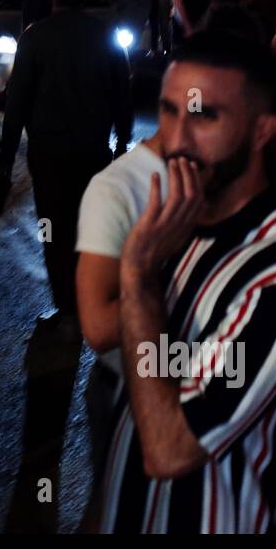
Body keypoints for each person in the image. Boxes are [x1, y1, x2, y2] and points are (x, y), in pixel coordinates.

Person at [92, 32, 276, 533]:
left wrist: (135, 274)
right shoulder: (180, 227)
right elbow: (139, 390)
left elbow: (169, 449)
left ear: (262, 131)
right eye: (168, 111)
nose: (176, 139)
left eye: (204, 116)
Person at [0, 0, 133, 533]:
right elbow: (122, 93)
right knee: (90, 225)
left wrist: (5, 161)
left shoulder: (38, 38)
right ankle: (87, 293)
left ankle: (68, 301)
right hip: (92, 152)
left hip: (49, 153)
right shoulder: (104, 37)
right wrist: (121, 140)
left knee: (55, 226)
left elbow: (17, 102)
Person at [75, 129, 168, 527]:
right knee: (116, 512)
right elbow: (97, 325)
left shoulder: (234, 171)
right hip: (126, 386)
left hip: (200, 383)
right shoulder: (118, 187)